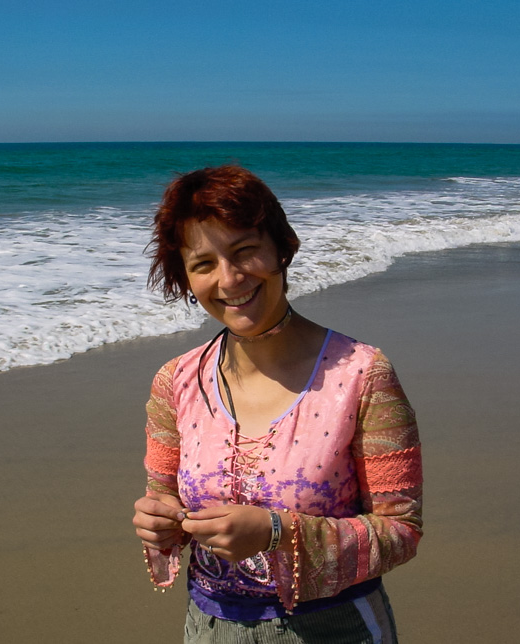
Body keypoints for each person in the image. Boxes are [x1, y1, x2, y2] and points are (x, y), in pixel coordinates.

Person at [132, 165, 422, 643]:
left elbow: (401, 531)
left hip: (336, 627)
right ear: (186, 278)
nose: (229, 279)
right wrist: (159, 522)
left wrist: (276, 532)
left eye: (246, 251)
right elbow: (165, 501)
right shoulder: (175, 382)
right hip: (208, 628)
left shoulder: (362, 375)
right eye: (203, 264)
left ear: (282, 248)